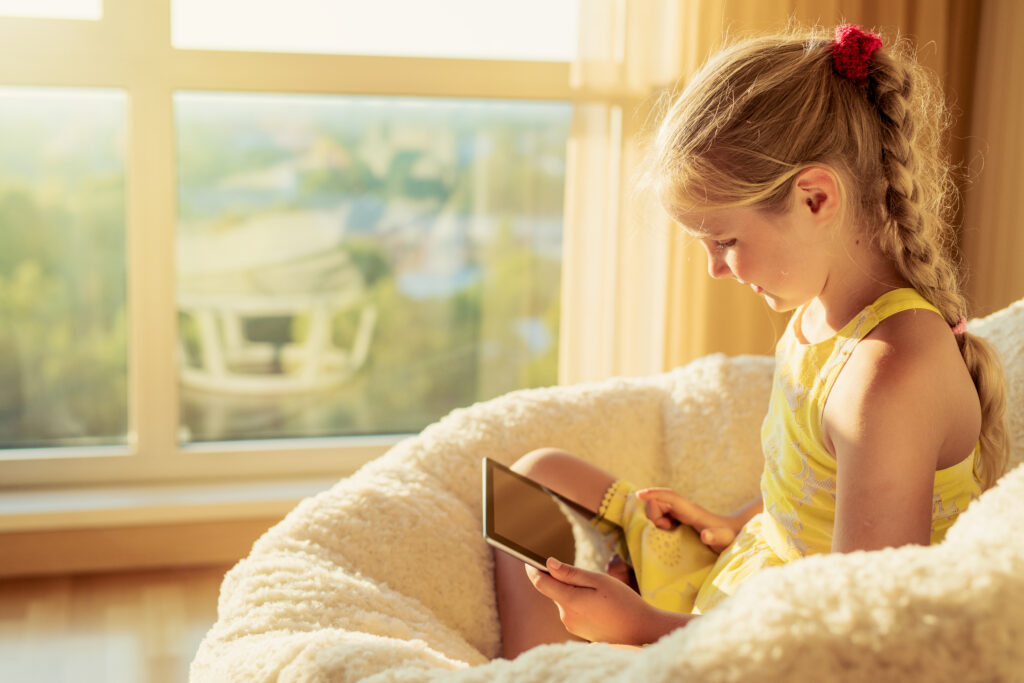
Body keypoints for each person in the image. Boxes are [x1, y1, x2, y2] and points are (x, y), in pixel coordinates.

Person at [492, 24, 1009, 658]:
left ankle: (550, 664)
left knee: (547, 564)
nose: (714, 269)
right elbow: (809, 485)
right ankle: (577, 638)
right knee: (534, 478)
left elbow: (855, 630)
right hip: (747, 573)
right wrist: (731, 522)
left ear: (815, 198)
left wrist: (643, 628)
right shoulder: (821, 311)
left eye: (725, 242)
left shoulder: (889, 375)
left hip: (783, 639)